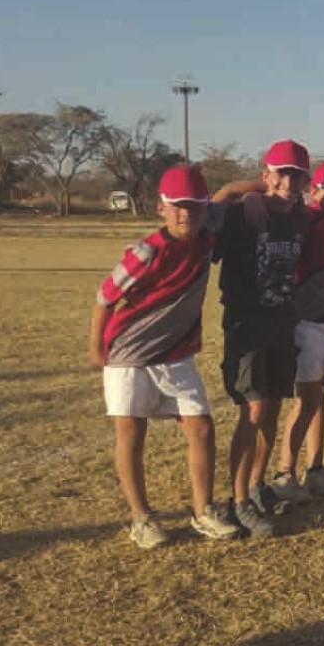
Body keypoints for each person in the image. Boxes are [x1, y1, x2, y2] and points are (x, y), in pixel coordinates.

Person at [89, 165, 240, 548]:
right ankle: (142, 518)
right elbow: (105, 298)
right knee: (131, 433)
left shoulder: (206, 237)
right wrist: (97, 348)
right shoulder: (146, 252)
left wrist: (266, 190)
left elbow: (230, 190)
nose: (186, 213)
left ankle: (203, 512)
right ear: (161, 208)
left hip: (176, 355)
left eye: (195, 206)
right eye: (178, 206)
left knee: (201, 427)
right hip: (129, 355)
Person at [214, 139, 310, 538]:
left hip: (282, 323)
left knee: (271, 409)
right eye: (281, 173)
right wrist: (242, 192)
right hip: (246, 325)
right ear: (266, 174)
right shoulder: (240, 215)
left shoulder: (300, 216)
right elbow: (209, 210)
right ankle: (238, 502)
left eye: (297, 174)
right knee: (252, 411)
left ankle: (255, 486)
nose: (289, 181)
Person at [270, 160, 324, 503]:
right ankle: (284, 473)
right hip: (306, 323)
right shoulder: (304, 219)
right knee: (306, 401)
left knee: (320, 399)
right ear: (313, 190)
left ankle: (315, 469)